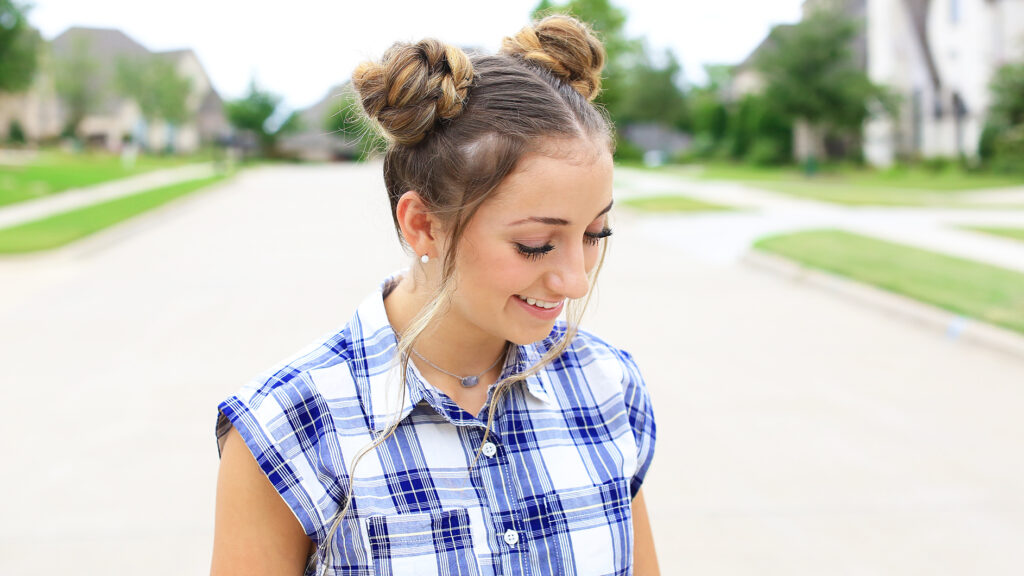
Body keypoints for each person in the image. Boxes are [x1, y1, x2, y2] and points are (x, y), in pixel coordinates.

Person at [211, 14, 659, 576]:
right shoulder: (287, 429)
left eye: (596, 234)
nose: (575, 281)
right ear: (422, 224)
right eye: (537, 244)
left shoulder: (608, 385)